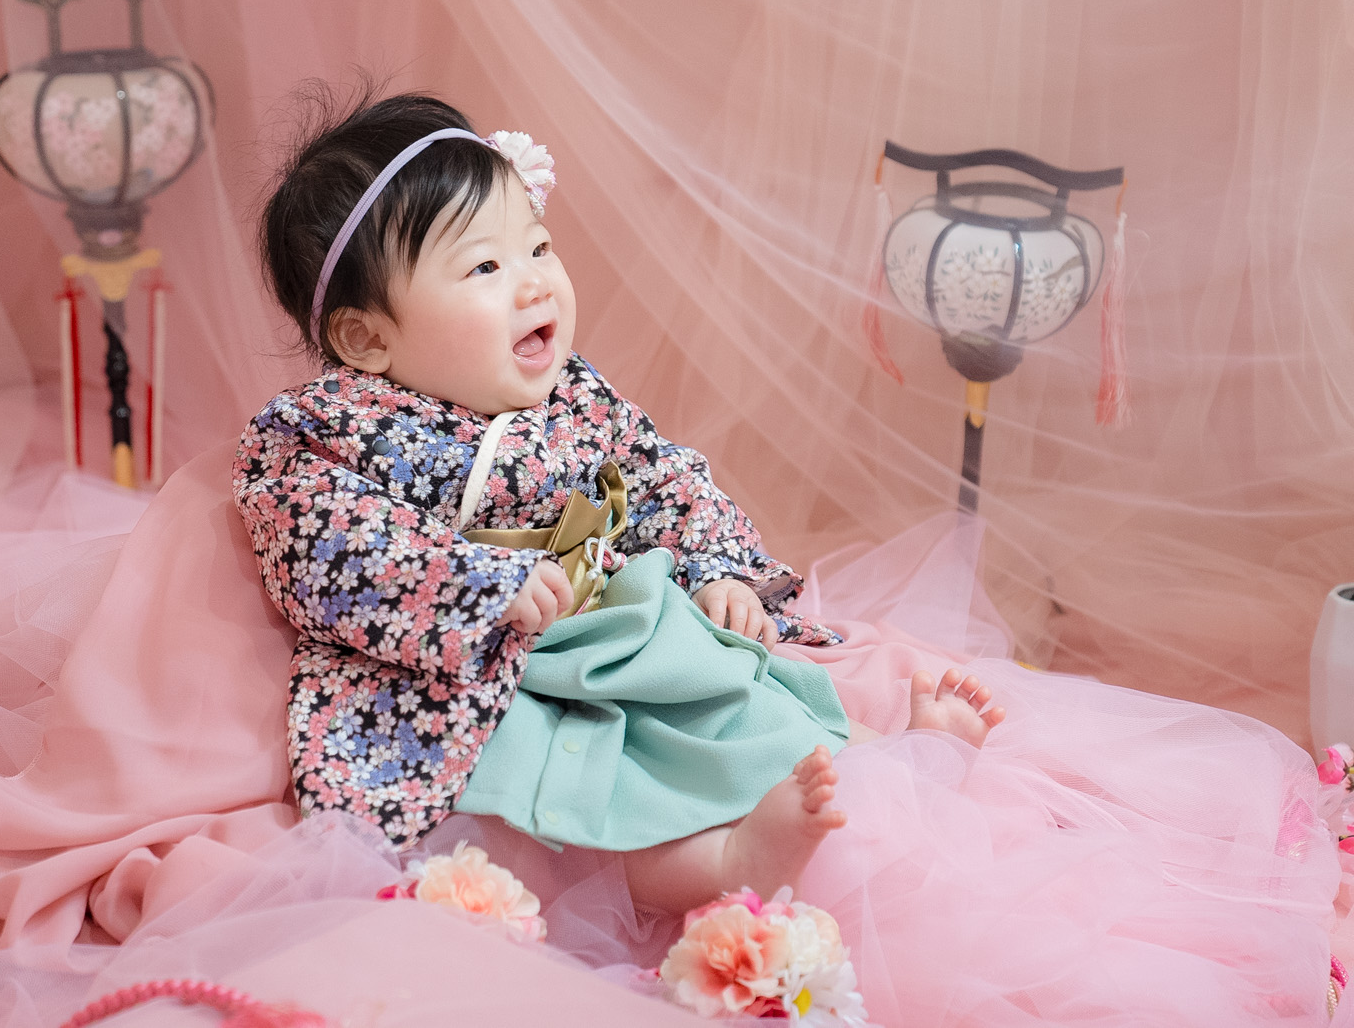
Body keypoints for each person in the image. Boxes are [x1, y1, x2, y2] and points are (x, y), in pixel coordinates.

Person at [236, 91, 1009, 915]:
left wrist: (718, 570)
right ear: (365, 338)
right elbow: (333, 543)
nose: (534, 283)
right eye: (485, 268)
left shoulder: (575, 395)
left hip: (609, 629)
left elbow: (659, 475)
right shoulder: (330, 432)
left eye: (538, 246)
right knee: (555, 796)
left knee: (723, 687)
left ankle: (891, 766)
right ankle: (721, 861)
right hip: (478, 667)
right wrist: (477, 586)